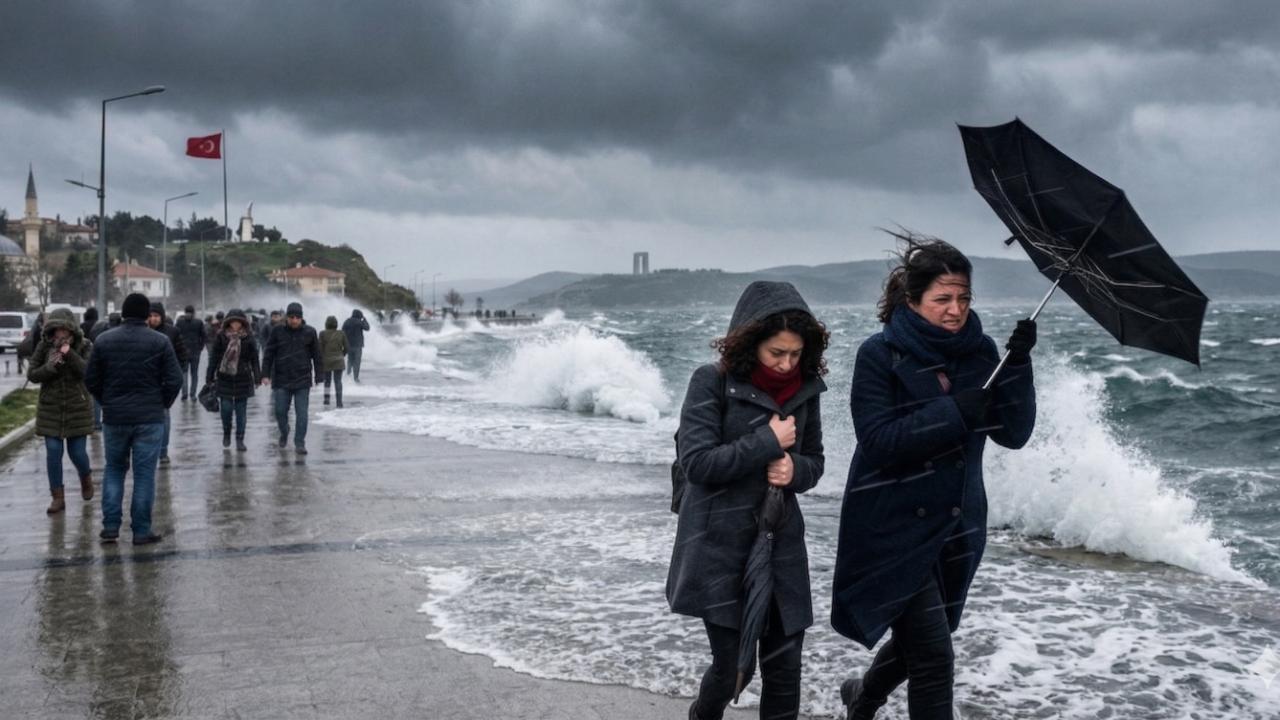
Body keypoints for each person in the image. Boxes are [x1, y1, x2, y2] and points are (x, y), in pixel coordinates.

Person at [832, 235, 1037, 719]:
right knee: (933, 658)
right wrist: (953, 412)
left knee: (922, 644)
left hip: (957, 528)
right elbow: (879, 440)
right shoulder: (879, 354)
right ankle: (864, 698)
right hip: (892, 527)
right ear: (912, 299)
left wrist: (1018, 366)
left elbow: (1014, 434)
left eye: (964, 297)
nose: (956, 310)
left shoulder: (983, 354)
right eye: (942, 298)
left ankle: (863, 697)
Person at [668, 281, 829, 720]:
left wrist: (796, 471)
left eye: (795, 354)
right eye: (777, 352)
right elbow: (697, 463)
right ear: (750, 341)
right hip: (718, 545)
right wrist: (767, 442)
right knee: (731, 672)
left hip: (780, 544)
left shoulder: (806, 389)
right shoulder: (711, 381)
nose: (786, 364)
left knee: (785, 669)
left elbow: (815, 461)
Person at [84, 293, 183, 545]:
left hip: (115, 417)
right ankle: (141, 530)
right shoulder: (160, 341)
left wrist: (107, 401)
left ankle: (110, 526)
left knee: (114, 469)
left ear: (124, 313)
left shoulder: (104, 340)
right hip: (149, 418)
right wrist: (161, 403)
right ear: (146, 315)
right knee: (144, 474)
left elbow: (91, 379)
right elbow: (175, 379)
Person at [27, 308, 95, 515]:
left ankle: (85, 477)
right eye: (56, 330)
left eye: (64, 329)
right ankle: (57, 497)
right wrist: (50, 366)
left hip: (77, 407)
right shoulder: (44, 346)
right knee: (54, 452)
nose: (60, 334)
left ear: (72, 329)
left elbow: (87, 371)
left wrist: (69, 354)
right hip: (51, 408)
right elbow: (32, 374)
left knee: (77, 453)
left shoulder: (85, 345)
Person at [261, 302, 321, 454]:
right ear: (287, 317)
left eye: (297, 318)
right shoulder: (277, 331)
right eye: (292, 317)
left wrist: (319, 375)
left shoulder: (310, 332)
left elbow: (317, 355)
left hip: (302, 379)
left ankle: (300, 443)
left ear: (301, 318)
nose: (294, 320)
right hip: (282, 379)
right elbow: (269, 354)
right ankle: (284, 431)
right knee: (280, 412)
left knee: (302, 414)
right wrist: (265, 374)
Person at [206, 308, 261, 451]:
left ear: (243, 323)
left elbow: (254, 359)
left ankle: (240, 439)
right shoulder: (221, 337)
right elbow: (214, 357)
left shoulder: (249, 338)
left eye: (238, 322)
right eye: (233, 322)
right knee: (226, 409)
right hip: (224, 377)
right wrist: (209, 375)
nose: (235, 325)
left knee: (241, 412)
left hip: (243, 378)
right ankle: (226, 433)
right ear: (228, 323)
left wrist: (257, 377)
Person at [147, 303, 188, 465]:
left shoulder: (173, 332)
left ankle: (163, 452)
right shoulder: (143, 331)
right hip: (145, 381)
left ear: (162, 316)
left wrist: (175, 375)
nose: (153, 319)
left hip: (164, 382)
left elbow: (182, 355)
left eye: (156, 316)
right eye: (150, 316)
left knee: (164, 416)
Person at [175, 304, 207, 402]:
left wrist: (178, 347)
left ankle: (184, 393)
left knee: (184, 372)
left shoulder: (179, 322)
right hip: (195, 351)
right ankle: (193, 394)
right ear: (194, 312)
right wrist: (200, 347)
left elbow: (176, 335)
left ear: (185, 312)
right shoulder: (199, 322)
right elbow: (204, 336)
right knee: (194, 373)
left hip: (183, 351)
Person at [319, 315, 348, 407]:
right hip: (339, 360)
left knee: (327, 381)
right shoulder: (341, 333)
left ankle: (326, 399)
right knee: (338, 381)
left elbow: (320, 348)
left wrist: (322, 357)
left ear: (326, 324)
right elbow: (347, 347)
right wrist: (342, 355)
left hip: (327, 360)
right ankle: (339, 402)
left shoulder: (322, 333)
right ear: (336, 324)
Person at [341, 308, 370, 382]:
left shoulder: (347, 321)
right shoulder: (359, 322)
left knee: (350, 360)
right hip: (357, 345)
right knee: (357, 362)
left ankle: (348, 375)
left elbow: (342, 332)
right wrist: (365, 320)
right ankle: (356, 378)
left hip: (349, 345)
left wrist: (343, 343)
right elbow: (367, 328)